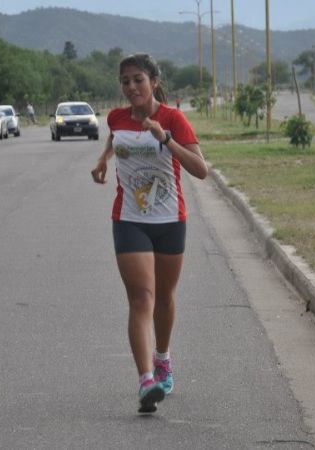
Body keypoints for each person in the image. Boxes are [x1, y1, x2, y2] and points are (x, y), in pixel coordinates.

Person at [91, 54, 208, 414]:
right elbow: (115, 138)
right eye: (125, 81)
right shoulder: (116, 116)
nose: (131, 87)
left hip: (171, 219)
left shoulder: (173, 118)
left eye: (138, 80)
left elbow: (201, 170)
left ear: (154, 81)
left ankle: (162, 359)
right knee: (142, 297)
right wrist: (103, 159)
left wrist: (166, 139)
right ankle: (146, 381)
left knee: (165, 298)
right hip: (129, 219)